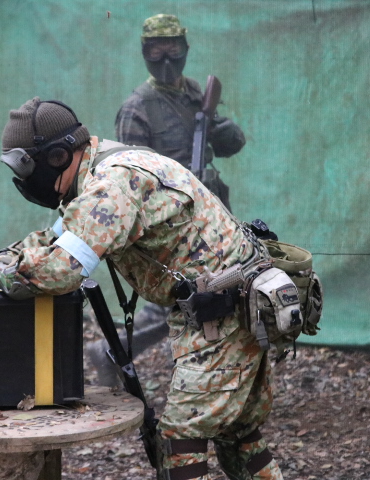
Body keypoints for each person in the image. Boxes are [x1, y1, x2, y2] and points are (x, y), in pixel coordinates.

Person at [0, 97, 283, 480]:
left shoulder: (110, 186)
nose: (23, 180)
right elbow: (54, 239)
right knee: (237, 434)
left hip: (224, 312)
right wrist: (2, 260)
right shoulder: (104, 166)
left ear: (57, 156)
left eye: (25, 167)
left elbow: (61, 271)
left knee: (180, 440)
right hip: (235, 304)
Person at [88, 13, 248, 387]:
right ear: (145, 53)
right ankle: (114, 351)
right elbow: (130, 177)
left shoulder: (194, 94)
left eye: (172, 50)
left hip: (209, 213)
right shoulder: (137, 108)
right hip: (171, 219)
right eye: (156, 52)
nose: (166, 61)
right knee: (188, 295)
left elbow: (231, 146)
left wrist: (219, 128)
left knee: (210, 289)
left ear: (185, 49)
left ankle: (202, 366)